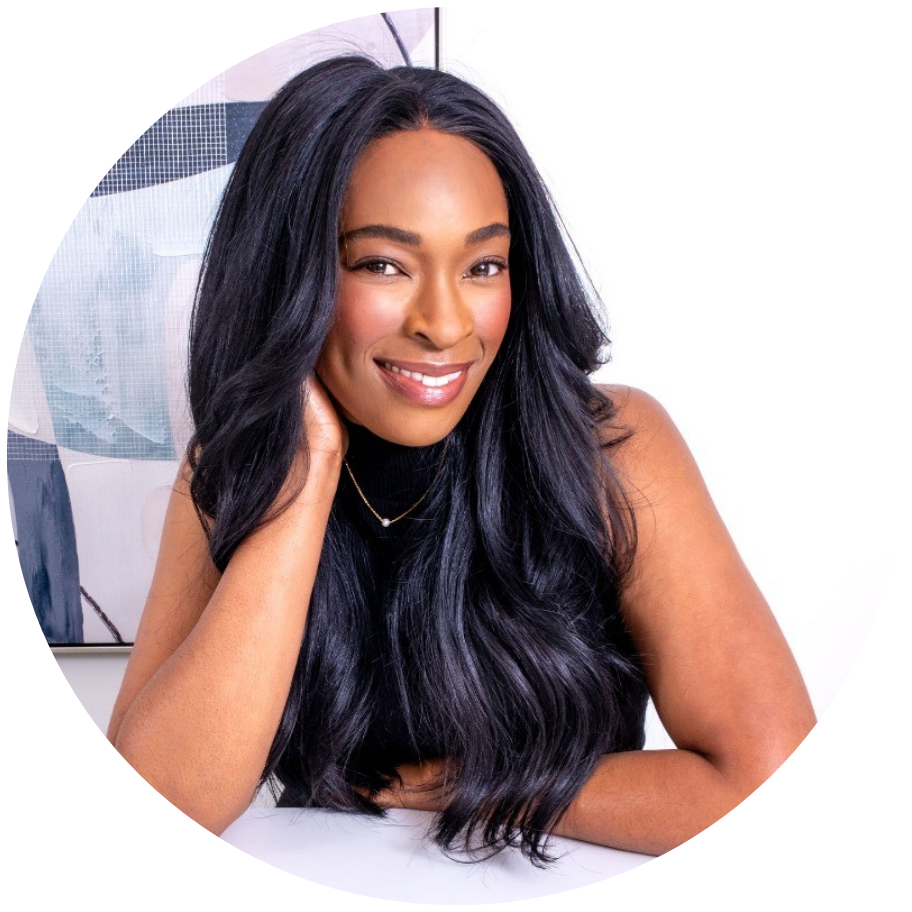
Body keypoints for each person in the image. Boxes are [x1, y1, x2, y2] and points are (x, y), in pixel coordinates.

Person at [106, 54, 816, 863]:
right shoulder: (235, 470)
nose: (444, 325)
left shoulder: (612, 451)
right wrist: (307, 474)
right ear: (292, 279)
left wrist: (454, 786)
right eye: (383, 264)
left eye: (483, 266)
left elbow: (760, 773)